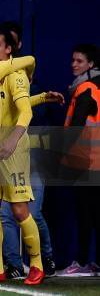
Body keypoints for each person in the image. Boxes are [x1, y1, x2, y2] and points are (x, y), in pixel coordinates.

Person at [0, 27, 44, 285]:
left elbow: (25, 112)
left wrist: (12, 140)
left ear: (9, 49)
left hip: (13, 150)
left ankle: (36, 265)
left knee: (19, 209)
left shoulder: (16, 74)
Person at [59, 44, 100, 276]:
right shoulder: (96, 87)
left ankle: (82, 261)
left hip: (86, 163)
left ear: (91, 64)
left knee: (85, 215)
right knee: (95, 215)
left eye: (80, 61)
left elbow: (75, 127)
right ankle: (94, 263)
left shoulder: (85, 88)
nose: (74, 64)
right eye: (73, 60)